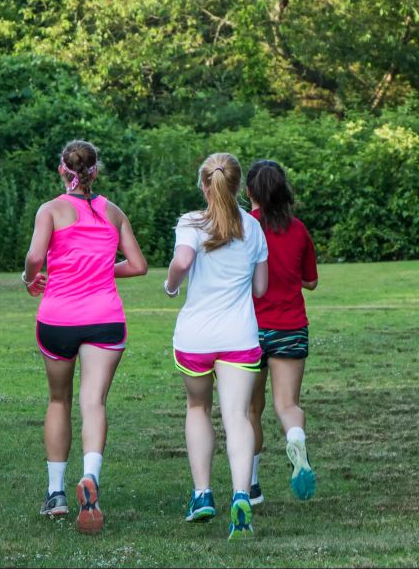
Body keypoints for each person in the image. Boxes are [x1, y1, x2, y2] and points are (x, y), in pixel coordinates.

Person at [22, 139, 147, 535]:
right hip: (105, 319)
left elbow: (34, 258)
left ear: (63, 170)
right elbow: (139, 265)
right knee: (94, 401)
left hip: (58, 319)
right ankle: (90, 477)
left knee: (59, 399)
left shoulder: (51, 210)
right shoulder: (113, 211)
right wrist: (99, 271)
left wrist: (29, 278)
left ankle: (56, 493)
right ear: (95, 172)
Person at [164, 152, 268, 541]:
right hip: (239, 336)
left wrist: (172, 285)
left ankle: (203, 494)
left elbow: (183, 259)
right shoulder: (253, 228)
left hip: (196, 337)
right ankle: (241, 495)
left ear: (204, 185)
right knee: (237, 415)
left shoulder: (191, 222)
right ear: (237, 185)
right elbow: (260, 288)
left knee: (198, 408)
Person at [244, 160, 318, 505]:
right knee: (287, 404)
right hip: (290, 327)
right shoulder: (298, 229)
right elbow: (311, 281)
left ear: (249, 192)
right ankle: (296, 437)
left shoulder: (243, 228)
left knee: (250, 410)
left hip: (248, 330)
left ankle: (253, 485)